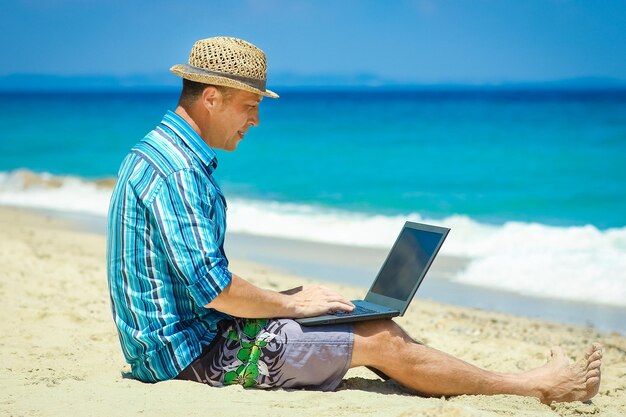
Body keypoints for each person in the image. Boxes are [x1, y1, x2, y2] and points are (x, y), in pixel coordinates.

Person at [106, 36, 602, 404]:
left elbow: (201, 284)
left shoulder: (157, 152)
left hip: (180, 341)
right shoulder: (179, 170)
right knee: (381, 338)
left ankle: (427, 369)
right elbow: (213, 288)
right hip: (192, 358)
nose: (255, 120)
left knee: (352, 317)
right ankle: (534, 385)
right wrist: (287, 305)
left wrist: (289, 304)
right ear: (211, 97)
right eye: (250, 105)